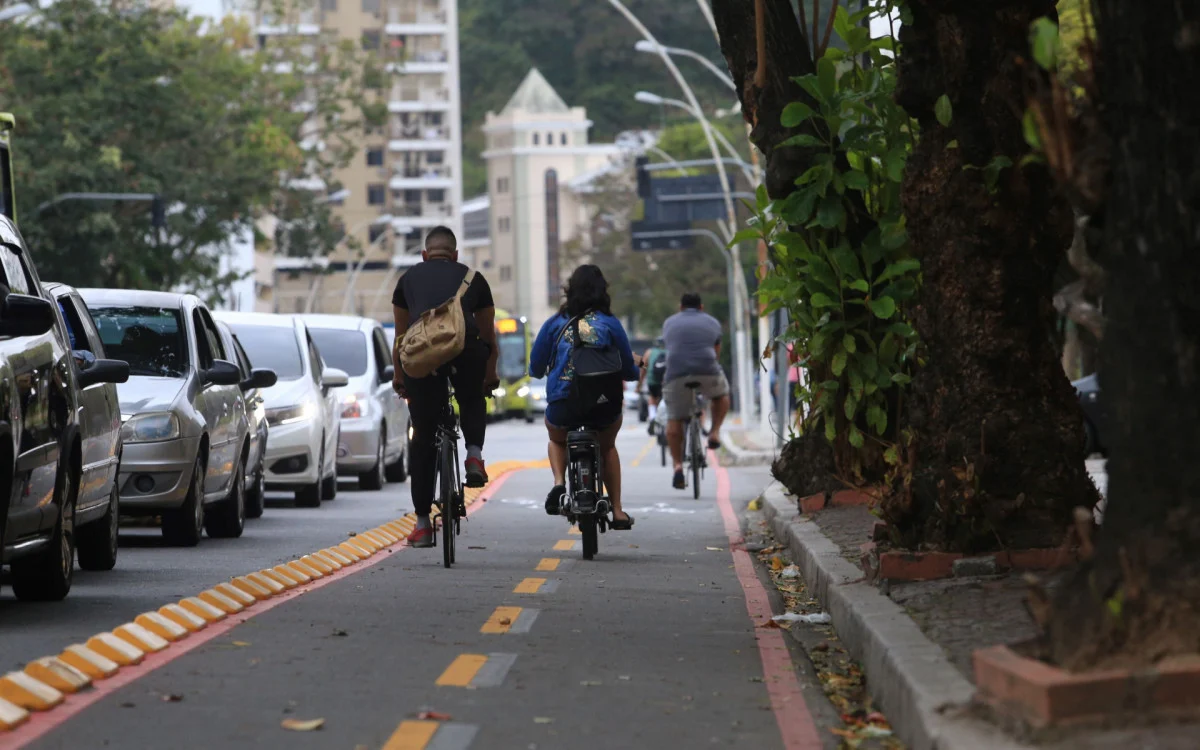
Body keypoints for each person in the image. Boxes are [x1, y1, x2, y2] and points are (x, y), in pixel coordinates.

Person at [391, 226, 499, 548]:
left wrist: (400, 378)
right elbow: (488, 338)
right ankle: (475, 457)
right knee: (471, 396)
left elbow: (400, 340)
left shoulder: (406, 281)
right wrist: (488, 377)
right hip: (464, 352)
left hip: (422, 358)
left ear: (425, 255)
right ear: (455, 255)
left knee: (423, 437)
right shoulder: (474, 279)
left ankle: (423, 525)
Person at [530, 265, 640, 529]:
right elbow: (628, 370)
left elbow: (535, 368)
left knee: (556, 440)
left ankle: (559, 484)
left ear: (570, 291)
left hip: (563, 406)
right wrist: (637, 366)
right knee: (608, 447)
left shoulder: (554, 324)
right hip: (603, 406)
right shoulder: (610, 324)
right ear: (603, 292)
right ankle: (618, 510)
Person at [661, 292, 730, 490]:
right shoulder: (712, 322)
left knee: (674, 420)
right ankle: (715, 432)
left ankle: (677, 468)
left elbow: (672, 348)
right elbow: (716, 353)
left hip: (676, 375)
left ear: (680, 307)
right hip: (707, 371)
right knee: (721, 395)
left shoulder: (669, 323)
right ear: (701, 307)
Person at [638, 338, 667, 434]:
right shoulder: (671, 351)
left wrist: (639, 385)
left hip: (653, 382)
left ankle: (652, 416)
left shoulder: (649, 352)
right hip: (667, 382)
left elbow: (643, 370)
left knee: (652, 397)